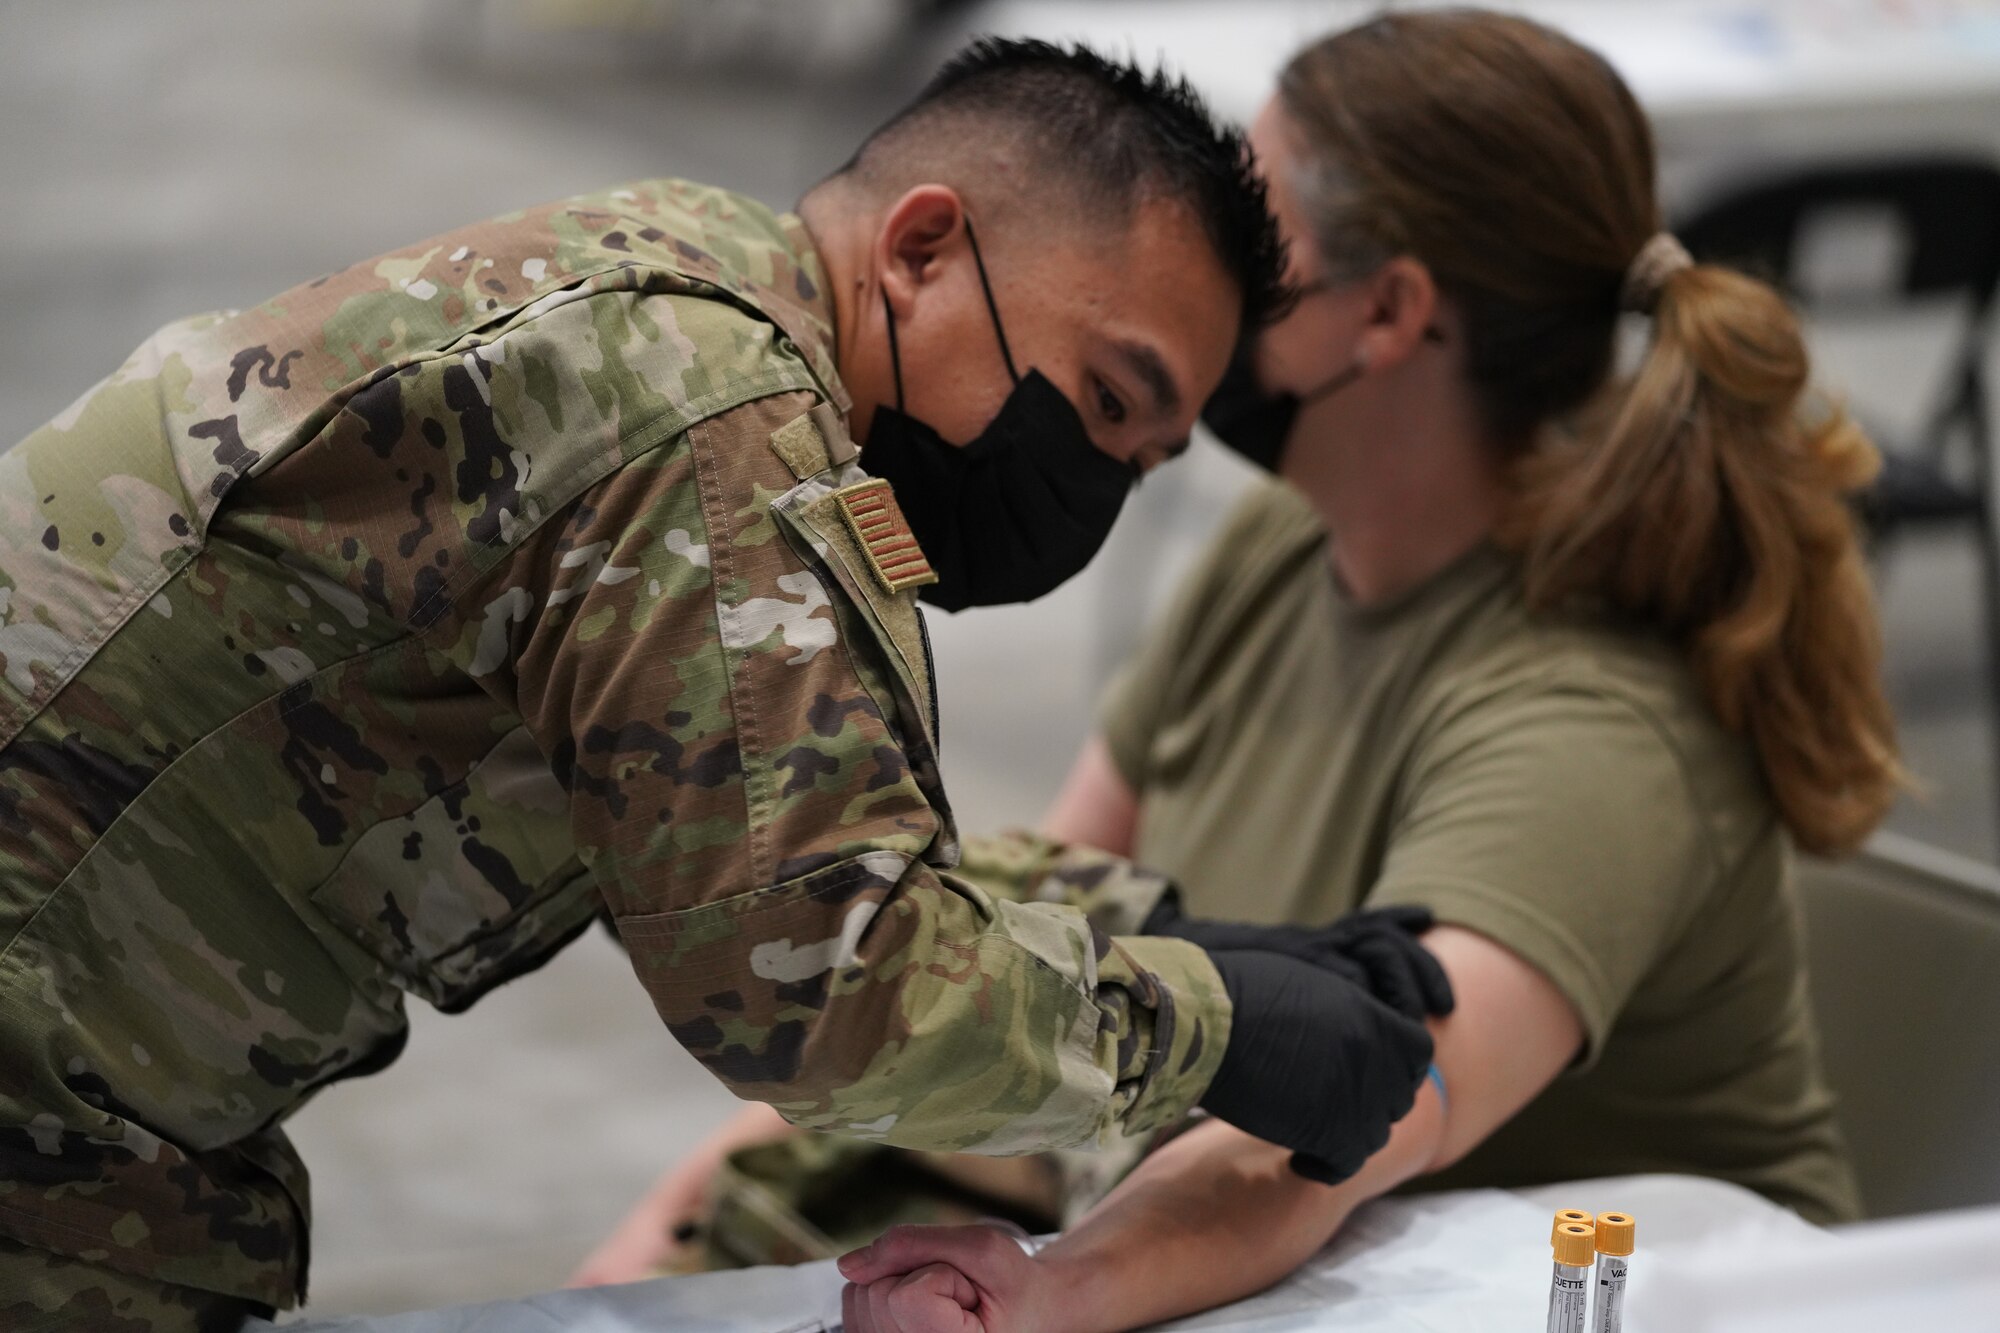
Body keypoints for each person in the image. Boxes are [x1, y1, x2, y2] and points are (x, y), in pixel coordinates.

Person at [0, 40, 1454, 1332]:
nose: (1092, 490)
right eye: (1104, 400)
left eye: (1141, 460)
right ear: (924, 249)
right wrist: (1212, 1026)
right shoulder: (715, 420)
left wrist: (1168, 931)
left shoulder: (697, 285)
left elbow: (780, 822)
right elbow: (825, 988)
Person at [830, 10, 1904, 1330]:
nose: (1199, 269)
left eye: (1254, 243)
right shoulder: (1290, 541)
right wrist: (720, 1198)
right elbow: (1036, 933)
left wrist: (1050, 1295)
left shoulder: (1593, 726)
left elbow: (1343, 1130)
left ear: (1390, 312)